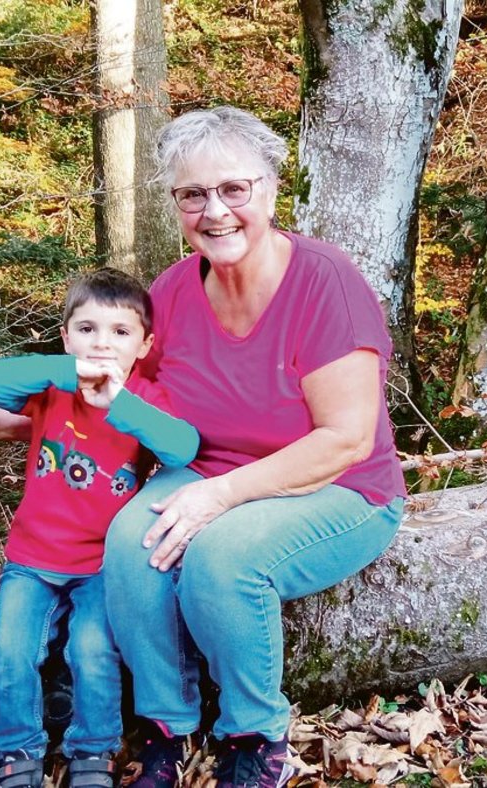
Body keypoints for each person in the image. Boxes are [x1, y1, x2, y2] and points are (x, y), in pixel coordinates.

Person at [106, 106, 408, 788]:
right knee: (128, 542)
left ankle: (254, 733)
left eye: (233, 189)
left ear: (270, 188)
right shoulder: (172, 291)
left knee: (224, 555)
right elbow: (139, 408)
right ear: (176, 205)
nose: (216, 211)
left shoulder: (325, 281)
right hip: (206, 469)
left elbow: (345, 438)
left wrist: (219, 497)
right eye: (193, 195)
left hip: (340, 487)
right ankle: (166, 725)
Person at [0, 268, 199, 788]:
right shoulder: (51, 391)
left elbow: (182, 447)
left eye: (120, 333)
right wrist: (67, 370)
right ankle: (15, 754)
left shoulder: (143, 399)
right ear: (66, 335)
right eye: (87, 329)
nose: (102, 344)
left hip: (102, 564)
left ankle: (93, 752)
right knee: (10, 651)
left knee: (93, 650)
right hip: (32, 559)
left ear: (144, 345)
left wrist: (118, 402)